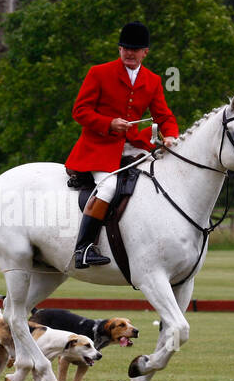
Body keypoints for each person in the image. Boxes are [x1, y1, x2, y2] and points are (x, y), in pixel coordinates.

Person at [64, 22, 179, 269]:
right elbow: (80, 111)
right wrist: (108, 123)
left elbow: (164, 117)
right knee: (108, 189)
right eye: (125, 48)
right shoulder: (98, 72)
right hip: (99, 148)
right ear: (119, 49)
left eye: (135, 49)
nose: (129, 52)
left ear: (145, 52)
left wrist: (170, 135)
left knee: (158, 180)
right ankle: (83, 248)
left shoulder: (153, 80)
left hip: (133, 147)